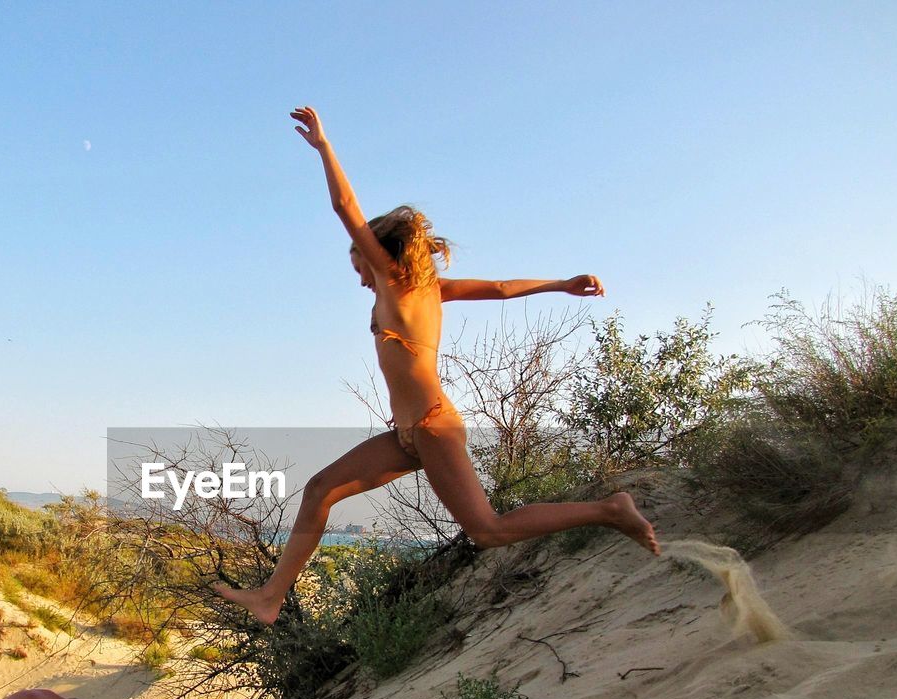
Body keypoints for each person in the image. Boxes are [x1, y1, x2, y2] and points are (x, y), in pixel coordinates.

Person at [215, 106, 659, 626]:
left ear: (377, 256)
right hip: (410, 432)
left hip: (433, 425)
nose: (360, 277)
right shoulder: (430, 289)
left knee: (487, 529)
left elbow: (345, 205)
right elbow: (499, 289)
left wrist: (324, 148)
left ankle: (611, 510)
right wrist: (559, 283)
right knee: (321, 490)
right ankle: (271, 596)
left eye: (360, 265)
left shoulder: (398, 283)